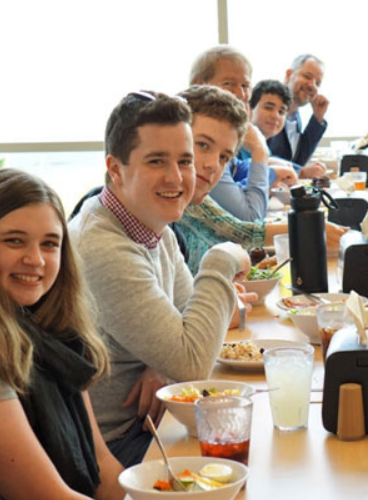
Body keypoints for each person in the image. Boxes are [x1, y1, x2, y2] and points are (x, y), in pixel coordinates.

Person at [69, 91, 250, 468]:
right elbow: (193, 361)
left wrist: (164, 361)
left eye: (184, 161)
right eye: (157, 161)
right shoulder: (103, 246)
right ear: (115, 169)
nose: (177, 177)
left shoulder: (154, 223)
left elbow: (212, 324)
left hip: (154, 425)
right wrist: (223, 258)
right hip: (119, 448)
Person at [0, 168, 124, 500]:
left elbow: (102, 466)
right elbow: (48, 496)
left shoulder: (49, 330)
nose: (35, 260)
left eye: (50, 244)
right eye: (14, 240)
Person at [173, 85, 348, 273]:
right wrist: (309, 229)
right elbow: (248, 223)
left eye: (224, 157)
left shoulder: (189, 194)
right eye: (203, 145)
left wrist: (310, 228)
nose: (213, 165)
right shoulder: (166, 206)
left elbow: (239, 230)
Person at [189, 45, 270, 221]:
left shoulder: (224, 137)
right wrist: (260, 151)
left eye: (245, 85)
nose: (240, 94)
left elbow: (240, 168)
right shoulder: (194, 131)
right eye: (229, 84)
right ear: (199, 84)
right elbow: (250, 219)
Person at [266, 54, 329, 178]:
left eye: (317, 83)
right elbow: (261, 160)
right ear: (289, 75)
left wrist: (317, 118)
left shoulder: (295, 117)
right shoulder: (267, 110)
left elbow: (298, 160)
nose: (312, 85)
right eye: (307, 76)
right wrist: (301, 172)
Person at [246, 79, 298, 189]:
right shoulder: (237, 145)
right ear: (249, 109)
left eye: (281, 112)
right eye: (268, 108)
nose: (275, 116)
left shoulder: (265, 148)